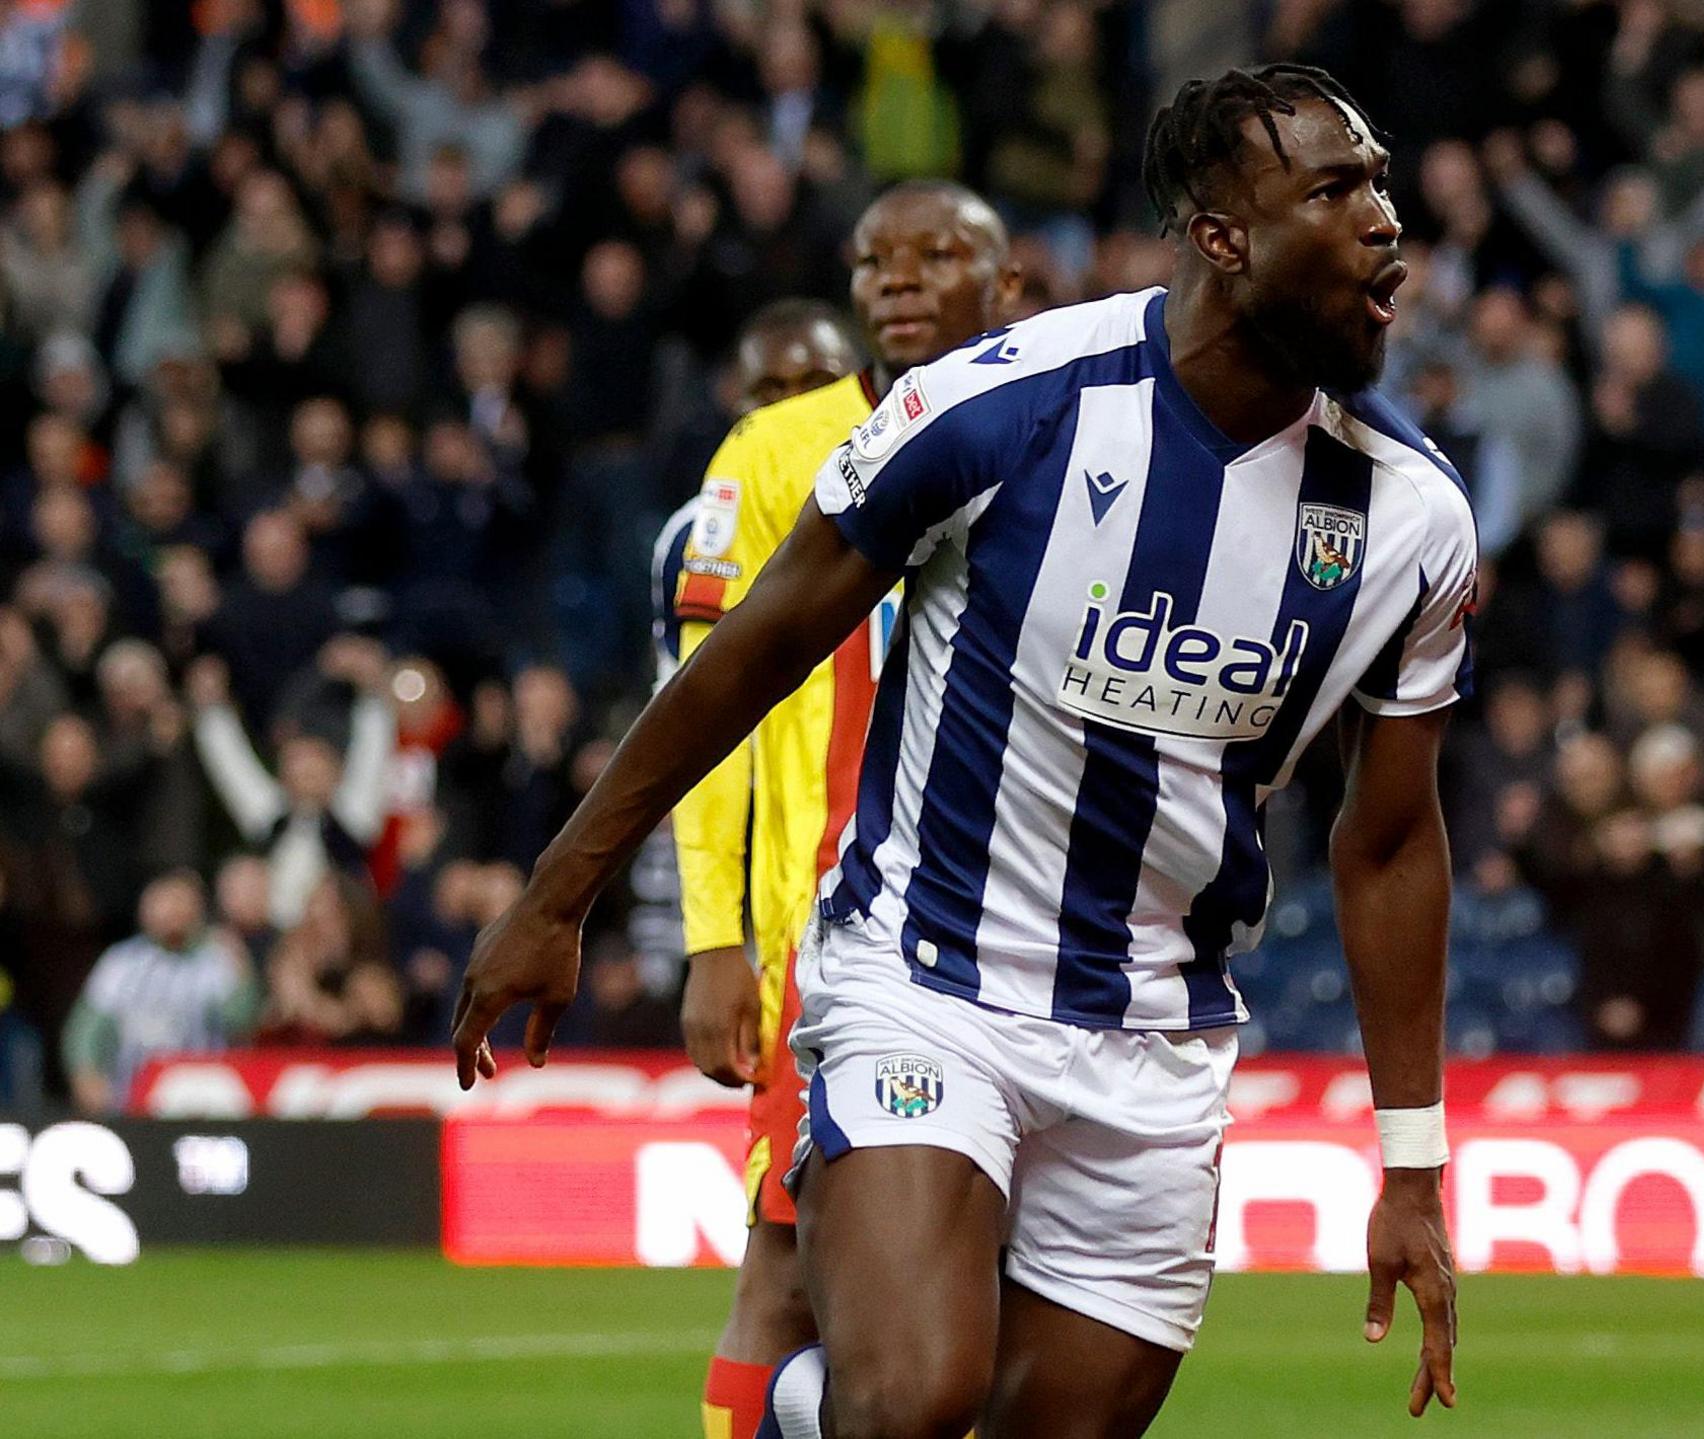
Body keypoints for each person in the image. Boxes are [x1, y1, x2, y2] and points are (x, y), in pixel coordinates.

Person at [455, 65, 1470, 1439]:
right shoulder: (1008, 401)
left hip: (1158, 1047)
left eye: (1384, 184)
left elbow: (1393, 833)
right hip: (925, 978)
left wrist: (1413, 1161)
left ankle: (801, 1410)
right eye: (1339, 189)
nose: (1386, 222)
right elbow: (755, 643)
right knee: (915, 1397)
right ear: (1222, 232)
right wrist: (556, 891)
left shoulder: (1412, 520)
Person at [649, 183, 1025, 1439]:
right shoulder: (768, 455)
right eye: (876, 260)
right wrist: (714, 934)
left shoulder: (1061, 424)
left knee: (987, 1295)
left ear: (1007, 280)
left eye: (939, 254)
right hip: (829, 929)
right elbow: (703, 706)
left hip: (1023, 927)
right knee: (783, 1267)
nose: (901, 280)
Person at [61, 870, 258, 1115]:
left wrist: (242, 971)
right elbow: (86, 1028)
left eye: (181, 901)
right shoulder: (121, 961)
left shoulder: (217, 959)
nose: (173, 911)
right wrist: (85, 1073)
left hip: (204, 1102)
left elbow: (240, 1021)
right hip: (130, 1098)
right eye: (163, 901)